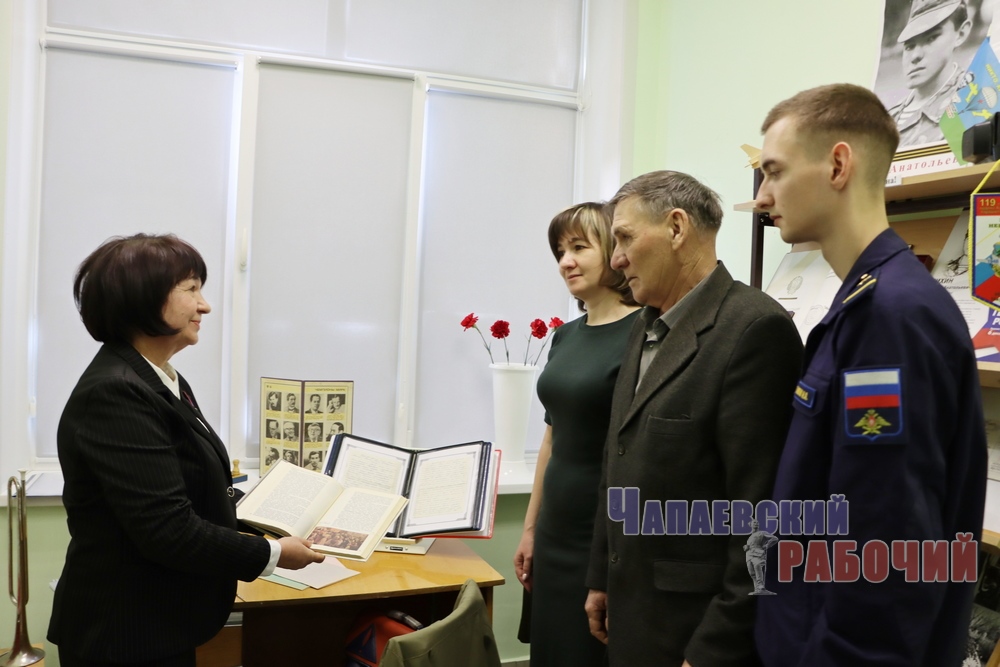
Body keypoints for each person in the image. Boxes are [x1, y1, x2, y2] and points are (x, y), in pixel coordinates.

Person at [753, 83, 987, 666]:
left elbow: (885, 538)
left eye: (774, 172)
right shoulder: (868, 302)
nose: (761, 197)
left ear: (838, 165)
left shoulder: (891, 316)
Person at [48, 233, 323, 667]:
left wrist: (272, 515)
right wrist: (272, 553)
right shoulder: (116, 392)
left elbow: (189, 484)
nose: (205, 305)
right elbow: (168, 530)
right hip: (124, 632)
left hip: (161, 620)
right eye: (191, 289)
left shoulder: (159, 377)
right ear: (143, 297)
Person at [583, 171, 803, 667]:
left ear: (677, 228)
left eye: (625, 238)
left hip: (694, 630)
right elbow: (617, 460)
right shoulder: (644, 326)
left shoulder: (755, 330)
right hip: (631, 609)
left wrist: (714, 650)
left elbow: (763, 514)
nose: (616, 259)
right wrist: (601, 576)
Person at [513, 201, 640, 667]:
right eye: (560, 251)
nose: (565, 261)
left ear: (614, 249)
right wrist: (530, 529)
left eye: (579, 248)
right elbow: (552, 436)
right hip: (554, 532)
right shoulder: (566, 336)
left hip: (602, 534)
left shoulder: (644, 332)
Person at [889, 0, 971, 148]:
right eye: (909, 46)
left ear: (960, 33)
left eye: (931, 38)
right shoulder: (887, 118)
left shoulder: (974, 101)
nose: (915, 56)